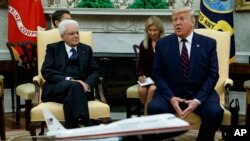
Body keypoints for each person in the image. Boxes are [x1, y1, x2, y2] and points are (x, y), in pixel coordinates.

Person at [147, 7, 223, 141]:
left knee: (215, 112)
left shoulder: (208, 44)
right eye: (174, 20)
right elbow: (157, 74)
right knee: (154, 108)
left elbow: (213, 75)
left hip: (199, 92)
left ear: (192, 22)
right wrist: (171, 97)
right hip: (171, 92)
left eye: (182, 19)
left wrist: (197, 100)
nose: (177, 23)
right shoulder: (163, 44)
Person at [41, 19, 100, 129]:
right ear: (62, 36)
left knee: (70, 98)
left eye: (77, 33)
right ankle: (87, 123)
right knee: (75, 85)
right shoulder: (53, 48)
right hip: (57, 88)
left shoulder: (86, 49)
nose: (76, 36)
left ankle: (71, 128)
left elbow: (95, 71)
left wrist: (87, 84)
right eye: (71, 33)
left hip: (81, 90)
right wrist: (70, 80)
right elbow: (46, 71)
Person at [137, 16, 165, 115]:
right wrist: (140, 75)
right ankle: (151, 114)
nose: (152, 33)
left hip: (161, 78)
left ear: (160, 30)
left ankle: (146, 116)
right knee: (141, 90)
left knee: (152, 89)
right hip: (147, 79)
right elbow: (140, 64)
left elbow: (168, 66)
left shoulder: (166, 43)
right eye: (150, 30)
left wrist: (156, 79)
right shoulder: (144, 44)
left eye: (155, 30)